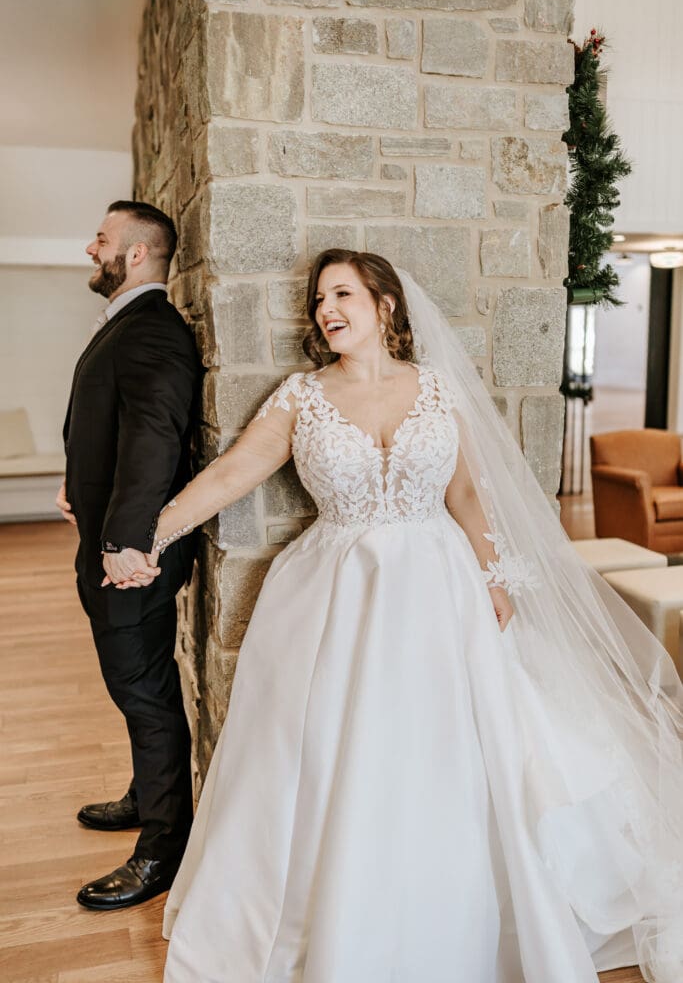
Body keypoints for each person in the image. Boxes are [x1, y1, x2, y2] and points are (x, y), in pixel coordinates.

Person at [122, 250, 682, 982]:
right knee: (337, 747)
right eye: (320, 298)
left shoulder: (438, 389)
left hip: (441, 590)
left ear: (385, 307)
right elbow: (232, 473)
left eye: (344, 293)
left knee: (456, 745)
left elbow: (467, 498)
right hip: (339, 594)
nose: (327, 309)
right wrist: (151, 533)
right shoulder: (301, 395)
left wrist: (495, 577)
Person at [57, 200, 201, 910]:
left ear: (137, 254)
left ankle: (162, 849)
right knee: (131, 684)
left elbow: (154, 439)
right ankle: (148, 795)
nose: (92, 248)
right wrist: (77, 484)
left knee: (144, 694)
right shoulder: (129, 324)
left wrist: (124, 541)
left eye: (103, 239)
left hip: (129, 555)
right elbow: (110, 425)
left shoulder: (153, 331)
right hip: (108, 537)